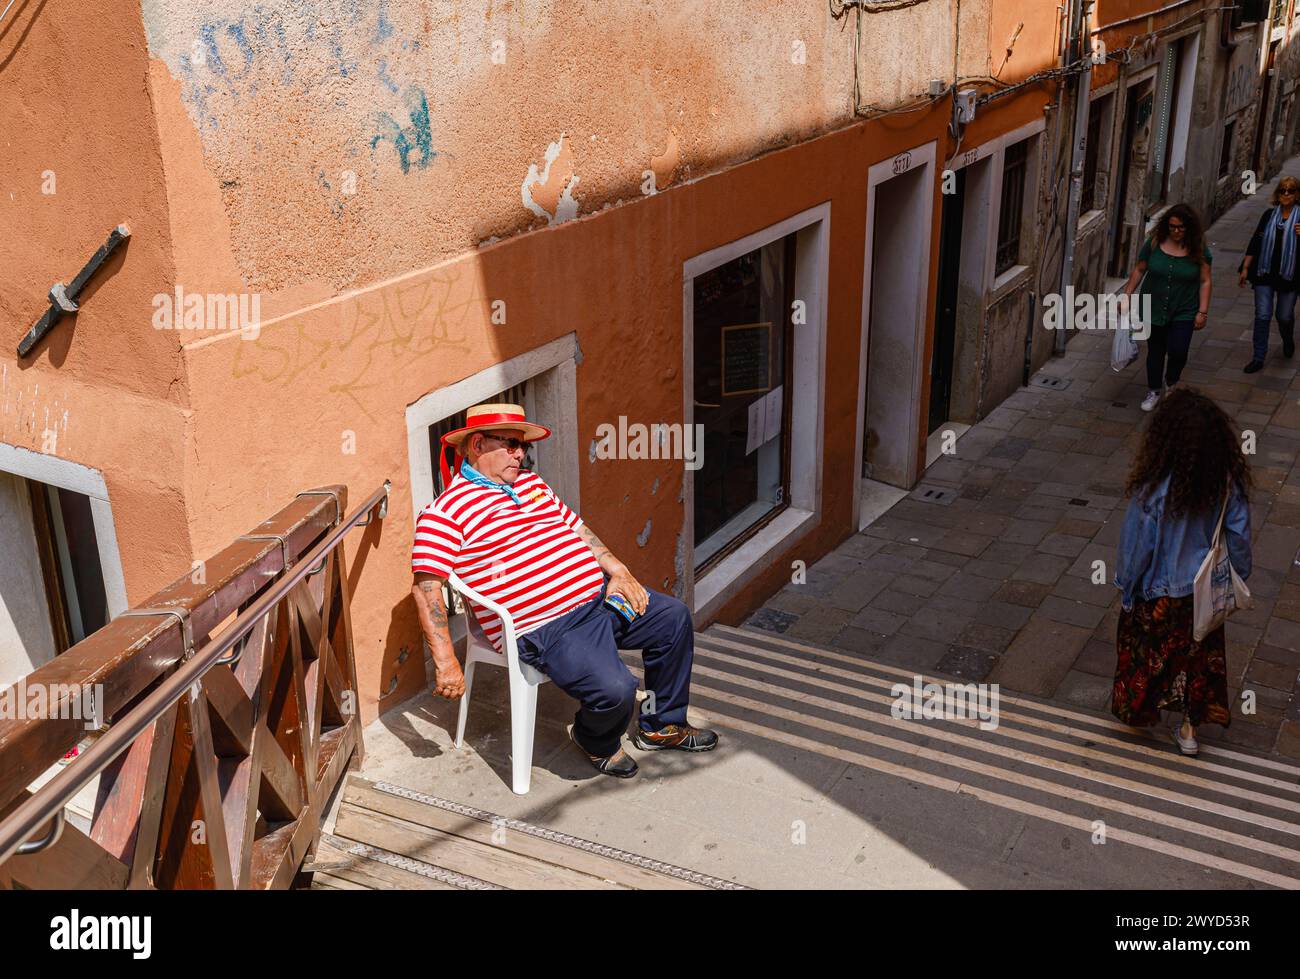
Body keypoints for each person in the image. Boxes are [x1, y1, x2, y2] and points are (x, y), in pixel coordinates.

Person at [409, 403, 718, 780]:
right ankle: (595, 739)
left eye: (522, 446)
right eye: (509, 444)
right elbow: (427, 588)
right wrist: (446, 661)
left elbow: (579, 530)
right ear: (476, 445)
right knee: (616, 689)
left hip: (598, 600)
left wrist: (619, 571)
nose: (519, 454)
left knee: (671, 618)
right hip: (546, 629)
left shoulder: (532, 484)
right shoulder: (445, 512)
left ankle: (661, 725)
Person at [1111, 387, 1252, 757]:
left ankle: (1144, 708)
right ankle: (1189, 730)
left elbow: (1137, 546)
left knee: (1147, 653)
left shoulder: (1154, 487)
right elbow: (1238, 537)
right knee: (1198, 660)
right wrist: (1239, 574)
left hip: (1160, 593)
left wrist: (1127, 588)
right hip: (1203, 592)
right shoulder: (1224, 481)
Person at [1119, 203, 1213, 412]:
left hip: (1184, 309)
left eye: (1181, 227)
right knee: (1156, 351)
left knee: (1178, 351)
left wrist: (1203, 311)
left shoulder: (1198, 249)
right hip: (1153, 307)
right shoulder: (1154, 243)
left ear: (1189, 228)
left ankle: (1171, 382)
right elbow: (1139, 269)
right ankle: (1154, 390)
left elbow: (1205, 280)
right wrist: (1127, 295)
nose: (1176, 231)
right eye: (1172, 227)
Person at [1238, 174, 1300, 372]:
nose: (1286, 194)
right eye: (1283, 190)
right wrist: (1246, 267)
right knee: (1263, 315)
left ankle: (1287, 339)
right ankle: (1258, 357)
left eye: (1291, 191)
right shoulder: (1268, 216)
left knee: (1283, 316)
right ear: (1277, 193)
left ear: (1297, 194)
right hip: (1264, 273)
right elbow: (1255, 242)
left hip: (1290, 276)